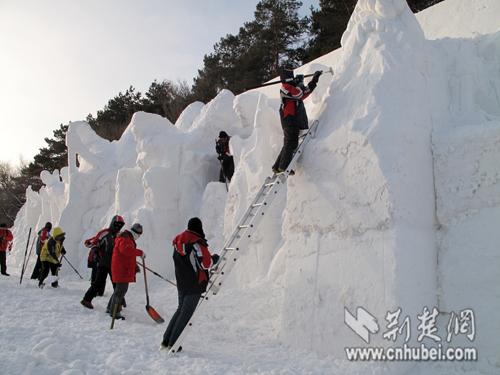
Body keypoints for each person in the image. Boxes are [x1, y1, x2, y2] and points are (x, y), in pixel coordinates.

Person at [161, 217, 219, 350]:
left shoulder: (179, 241)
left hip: (182, 282)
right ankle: (174, 343)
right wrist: (214, 259)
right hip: (195, 284)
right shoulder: (196, 243)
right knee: (186, 313)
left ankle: (166, 340)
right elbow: (206, 263)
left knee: (180, 310)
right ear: (198, 228)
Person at [272, 68, 322, 174]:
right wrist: (299, 83)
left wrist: (314, 80)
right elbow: (299, 94)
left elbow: (304, 93)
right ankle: (284, 166)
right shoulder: (285, 88)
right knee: (291, 142)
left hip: (291, 119)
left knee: (288, 143)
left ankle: (277, 167)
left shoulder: (290, 87)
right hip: (289, 119)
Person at [80, 215, 125, 309]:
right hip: (103, 262)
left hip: (114, 263)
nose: (118, 227)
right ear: (112, 223)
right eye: (116, 224)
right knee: (98, 283)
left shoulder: (119, 235)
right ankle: (86, 300)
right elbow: (93, 243)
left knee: (117, 283)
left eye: (120, 225)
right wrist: (95, 252)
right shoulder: (104, 233)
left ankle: (119, 301)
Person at [107, 223, 144, 320]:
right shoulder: (125, 239)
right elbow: (127, 251)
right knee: (120, 291)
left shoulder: (127, 238)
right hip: (121, 270)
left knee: (119, 290)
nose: (139, 237)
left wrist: (134, 266)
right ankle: (114, 312)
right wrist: (140, 253)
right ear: (135, 233)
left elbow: (127, 256)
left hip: (122, 268)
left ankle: (110, 308)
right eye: (139, 235)